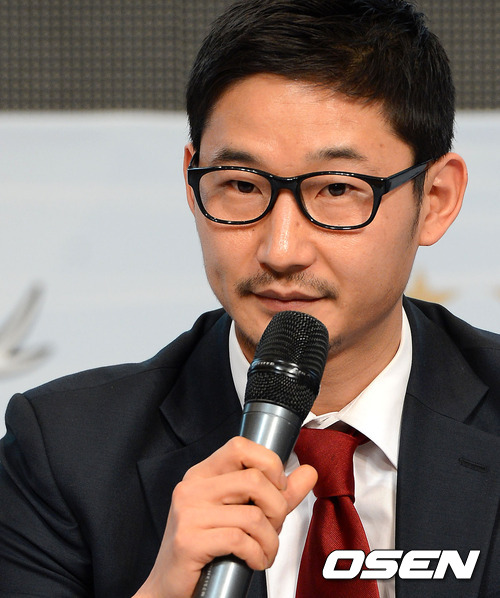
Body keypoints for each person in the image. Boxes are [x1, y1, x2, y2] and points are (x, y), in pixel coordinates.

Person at [1, 0, 499, 596]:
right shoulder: (62, 454)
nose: (281, 249)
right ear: (193, 185)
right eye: (241, 185)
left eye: (337, 189)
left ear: (436, 199)